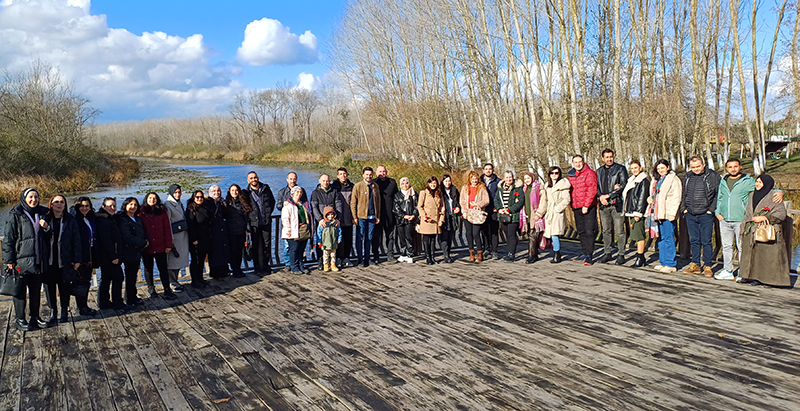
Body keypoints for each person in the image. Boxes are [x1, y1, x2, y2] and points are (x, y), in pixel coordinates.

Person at [714, 159, 783, 281]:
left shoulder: (748, 181)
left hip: (741, 219)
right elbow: (720, 197)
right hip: (724, 219)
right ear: (726, 168)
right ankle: (728, 270)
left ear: (740, 167)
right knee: (726, 246)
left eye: (735, 166)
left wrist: (780, 192)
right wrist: (718, 212)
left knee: (742, 247)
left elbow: (765, 188)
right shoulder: (723, 181)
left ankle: (743, 271)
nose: (733, 169)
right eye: (730, 167)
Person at [3, 188, 49, 331]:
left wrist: (47, 227)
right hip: (20, 261)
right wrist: (8, 260)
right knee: (20, 291)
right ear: (24, 198)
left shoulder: (43, 212)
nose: (33, 200)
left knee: (35, 291)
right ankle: (20, 319)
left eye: (36, 197)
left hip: (38, 259)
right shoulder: (15, 214)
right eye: (30, 197)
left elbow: (49, 235)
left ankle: (35, 317)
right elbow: (8, 239)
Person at [737, 175, 791, 287]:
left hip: (766, 229)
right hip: (751, 229)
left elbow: (781, 214)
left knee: (767, 256)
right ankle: (750, 276)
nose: (757, 184)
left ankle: (769, 280)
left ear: (766, 183)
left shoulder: (774, 196)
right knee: (753, 255)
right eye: (757, 181)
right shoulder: (752, 194)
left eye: (760, 182)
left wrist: (766, 218)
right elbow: (748, 212)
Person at [43, 195, 82, 325]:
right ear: (51, 204)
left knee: (64, 286)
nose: (59, 204)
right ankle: (53, 311)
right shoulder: (45, 219)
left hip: (65, 259)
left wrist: (77, 259)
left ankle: (64, 310)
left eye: (62, 202)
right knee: (49, 287)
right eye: (56, 202)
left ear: (65, 205)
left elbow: (76, 240)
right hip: (48, 260)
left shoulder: (70, 219)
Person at [680, 156, 721, 277]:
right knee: (694, 240)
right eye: (693, 167)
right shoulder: (687, 176)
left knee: (706, 240)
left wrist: (711, 210)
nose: (696, 169)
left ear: (703, 164)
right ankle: (695, 264)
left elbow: (717, 194)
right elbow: (684, 194)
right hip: (690, 213)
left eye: (698, 166)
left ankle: (707, 265)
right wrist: (684, 209)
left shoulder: (712, 176)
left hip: (705, 213)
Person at [139, 192, 177, 300]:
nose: (152, 200)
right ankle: (151, 289)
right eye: (150, 198)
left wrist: (169, 244)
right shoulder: (141, 212)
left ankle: (167, 289)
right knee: (148, 269)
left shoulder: (162, 211)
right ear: (146, 199)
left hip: (160, 245)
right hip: (147, 246)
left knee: (163, 268)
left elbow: (167, 228)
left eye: (154, 198)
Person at [647, 160, 682, 273]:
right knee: (660, 237)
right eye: (658, 169)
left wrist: (672, 213)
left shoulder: (674, 180)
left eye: (662, 168)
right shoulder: (657, 180)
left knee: (668, 237)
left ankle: (670, 263)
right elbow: (655, 194)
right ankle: (663, 261)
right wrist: (650, 199)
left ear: (668, 167)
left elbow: (676, 197)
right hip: (657, 212)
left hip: (667, 213)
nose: (660, 170)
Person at [68, 197, 102, 314]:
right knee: (80, 282)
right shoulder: (74, 219)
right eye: (82, 206)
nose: (84, 208)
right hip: (79, 255)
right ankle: (82, 307)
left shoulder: (90, 218)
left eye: (87, 206)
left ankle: (84, 306)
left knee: (86, 281)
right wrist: (75, 258)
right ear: (77, 206)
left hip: (90, 254)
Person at [597, 149, 629, 265]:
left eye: (611, 156)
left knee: (620, 230)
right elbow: (595, 187)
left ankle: (621, 254)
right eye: (607, 157)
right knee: (606, 230)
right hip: (603, 205)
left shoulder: (620, 169)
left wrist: (609, 195)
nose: (609, 159)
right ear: (602, 158)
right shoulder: (599, 171)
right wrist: (601, 197)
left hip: (617, 204)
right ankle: (607, 252)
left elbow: (623, 185)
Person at [568, 155, 599, 265]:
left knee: (589, 230)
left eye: (580, 162)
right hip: (576, 206)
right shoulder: (570, 175)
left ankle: (590, 255)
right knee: (581, 231)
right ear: (572, 163)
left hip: (588, 206)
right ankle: (585, 252)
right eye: (575, 162)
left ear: (583, 162)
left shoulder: (589, 173)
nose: (578, 164)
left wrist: (586, 205)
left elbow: (592, 189)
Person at [94, 198, 125, 308]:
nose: (113, 208)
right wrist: (113, 256)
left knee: (106, 278)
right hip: (108, 256)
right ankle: (117, 302)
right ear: (103, 207)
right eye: (110, 206)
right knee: (118, 277)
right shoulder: (103, 221)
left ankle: (103, 302)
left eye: (114, 206)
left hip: (105, 256)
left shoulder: (108, 218)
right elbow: (106, 240)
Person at [244, 171, 276, 275]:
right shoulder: (246, 192)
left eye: (255, 177)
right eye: (251, 178)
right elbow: (245, 208)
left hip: (266, 221)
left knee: (267, 244)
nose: (254, 179)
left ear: (258, 178)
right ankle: (257, 267)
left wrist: (267, 213)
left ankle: (266, 265)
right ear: (248, 180)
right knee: (256, 245)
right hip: (254, 223)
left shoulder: (266, 189)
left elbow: (272, 202)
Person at [117, 197, 147, 305]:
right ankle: (130, 299)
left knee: (133, 275)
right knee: (129, 276)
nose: (133, 207)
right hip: (127, 251)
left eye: (135, 205)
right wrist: (142, 242)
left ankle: (132, 296)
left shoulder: (137, 218)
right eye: (130, 204)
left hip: (136, 251)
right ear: (125, 206)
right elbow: (127, 236)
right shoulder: (123, 219)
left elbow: (142, 231)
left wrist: (145, 240)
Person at [311, 174, 343, 270]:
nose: (326, 182)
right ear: (320, 181)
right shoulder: (315, 193)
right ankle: (321, 261)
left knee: (333, 241)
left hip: (333, 220)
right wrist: (320, 219)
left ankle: (333, 262)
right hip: (321, 221)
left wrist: (338, 218)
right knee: (321, 241)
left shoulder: (334, 192)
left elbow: (338, 205)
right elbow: (314, 207)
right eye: (324, 180)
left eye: (327, 181)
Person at [622, 161, 651, 268]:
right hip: (631, 211)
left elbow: (642, 197)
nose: (634, 170)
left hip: (637, 212)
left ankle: (640, 256)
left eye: (636, 167)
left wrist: (638, 213)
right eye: (632, 168)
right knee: (636, 234)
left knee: (639, 235)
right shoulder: (632, 180)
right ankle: (640, 256)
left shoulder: (643, 181)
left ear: (640, 167)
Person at [351, 167, 381, 267]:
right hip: (361, 216)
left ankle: (367, 258)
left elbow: (378, 202)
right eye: (367, 174)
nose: (369, 176)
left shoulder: (375, 186)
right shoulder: (358, 186)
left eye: (370, 174)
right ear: (363, 175)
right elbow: (353, 202)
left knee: (369, 238)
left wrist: (378, 215)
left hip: (372, 217)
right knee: (360, 237)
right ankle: (360, 258)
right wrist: (354, 216)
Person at [276, 172, 307, 270]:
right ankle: (288, 264)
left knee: (299, 247)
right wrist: (285, 204)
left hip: (301, 225)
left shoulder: (302, 190)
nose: (293, 180)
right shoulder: (282, 192)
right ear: (287, 179)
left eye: (294, 179)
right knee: (288, 246)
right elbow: (278, 206)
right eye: (291, 179)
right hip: (289, 223)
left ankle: (298, 263)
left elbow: (305, 203)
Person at [226, 184, 257, 277]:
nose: (234, 192)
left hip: (241, 230)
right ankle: (234, 269)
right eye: (232, 190)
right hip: (231, 231)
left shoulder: (243, 202)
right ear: (229, 192)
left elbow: (246, 217)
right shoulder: (226, 203)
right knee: (233, 251)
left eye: (236, 190)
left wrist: (248, 230)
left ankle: (238, 269)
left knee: (240, 251)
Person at [460, 170, 490, 262]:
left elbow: (486, 200)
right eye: (473, 179)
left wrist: (478, 204)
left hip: (477, 213)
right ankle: (471, 252)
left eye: (476, 179)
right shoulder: (465, 188)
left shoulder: (481, 187)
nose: (474, 180)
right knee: (468, 233)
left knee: (476, 233)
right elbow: (462, 201)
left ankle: (480, 252)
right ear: (469, 179)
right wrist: (464, 212)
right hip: (467, 213)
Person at [495, 171, 525, 262]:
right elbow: (496, 200)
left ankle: (512, 254)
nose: (509, 179)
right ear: (504, 178)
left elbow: (520, 201)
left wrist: (510, 210)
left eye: (510, 177)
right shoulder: (500, 188)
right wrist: (499, 208)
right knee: (507, 233)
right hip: (503, 215)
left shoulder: (517, 188)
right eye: (507, 177)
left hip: (513, 215)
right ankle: (509, 252)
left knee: (512, 234)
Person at [282, 186, 312, 274]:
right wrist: (288, 231)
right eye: (297, 192)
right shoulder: (288, 205)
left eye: (300, 192)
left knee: (301, 249)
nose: (299, 194)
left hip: (304, 229)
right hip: (293, 230)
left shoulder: (304, 205)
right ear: (292, 194)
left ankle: (301, 265)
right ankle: (294, 267)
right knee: (293, 249)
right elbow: (285, 219)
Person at [165, 184, 189, 292]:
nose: (178, 194)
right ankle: (172, 282)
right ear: (171, 193)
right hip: (174, 236)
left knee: (179, 260)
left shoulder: (179, 203)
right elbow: (167, 223)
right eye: (175, 192)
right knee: (173, 261)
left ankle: (175, 281)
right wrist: (170, 240)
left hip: (183, 235)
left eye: (179, 192)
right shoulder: (168, 205)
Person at [544, 167, 571, 263]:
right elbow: (545, 199)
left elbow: (566, 199)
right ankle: (556, 252)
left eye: (556, 173)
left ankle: (557, 253)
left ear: (559, 174)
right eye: (552, 173)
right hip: (549, 211)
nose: (554, 175)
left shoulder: (563, 184)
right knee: (551, 234)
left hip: (557, 212)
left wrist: (557, 208)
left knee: (555, 234)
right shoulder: (547, 185)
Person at [373, 165, 398, 263]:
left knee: (390, 236)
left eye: (384, 171)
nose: (382, 173)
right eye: (380, 171)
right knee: (376, 236)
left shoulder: (392, 182)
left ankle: (390, 254)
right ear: (376, 172)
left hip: (390, 214)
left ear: (386, 172)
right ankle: (375, 255)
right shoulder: (373, 183)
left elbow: (397, 197)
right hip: (377, 215)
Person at [185, 190, 211, 288]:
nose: (199, 199)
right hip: (195, 239)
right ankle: (194, 280)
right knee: (195, 260)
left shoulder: (204, 207)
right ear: (193, 198)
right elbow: (190, 225)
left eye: (201, 197)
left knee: (202, 259)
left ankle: (200, 278)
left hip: (205, 238)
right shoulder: (191, 209)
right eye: (197, 197)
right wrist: (193, 239)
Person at [520, 172, 547, 264]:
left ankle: (531, 255)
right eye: (525, 179)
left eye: (528, 178)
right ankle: (535, 252)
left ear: (532, 178)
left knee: (532, 234)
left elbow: (543, 201)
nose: (527, 180)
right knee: (530, 234)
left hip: (535, 214)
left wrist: (539, 213)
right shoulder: (524, 188)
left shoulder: (539, 187)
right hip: (526, 214)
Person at [418, 176, 445, 265]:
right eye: (431, 183)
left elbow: (442, 207)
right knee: (426, 239)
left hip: (435, 219)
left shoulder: (439, 193)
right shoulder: (423, 193)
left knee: (433, 239)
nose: (433, 185)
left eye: (435, 183)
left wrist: (441, 219)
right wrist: (424, 216)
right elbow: (419, 206)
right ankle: (428, 257)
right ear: (428, 184)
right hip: (427, 219)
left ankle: (433, 257)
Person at [331, 167, 355, 267]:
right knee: (337, 239)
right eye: (340, 174)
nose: (343, 176)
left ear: (347, 175)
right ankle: (337, 258)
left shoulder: (352, 186)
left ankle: (346, 258)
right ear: (337, 176)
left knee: (348, 238)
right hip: (337, 218)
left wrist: (355, 216)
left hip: (349, 217)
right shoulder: (333, 187)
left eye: (344, 174)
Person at [393, 177, 419, 263]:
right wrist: (403, 215)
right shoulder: (397, 195)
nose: (405, 185)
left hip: (410, 219)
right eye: (403, 184)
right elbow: (396, 208)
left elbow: (417, 206)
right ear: (400, 185)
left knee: (409, 237)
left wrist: (413, 215)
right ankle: (403, 254)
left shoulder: (414, 194)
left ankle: (410, 254)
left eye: (406, 183)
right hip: (400, 220)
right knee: (401, 237)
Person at [207, 185, 230, 279]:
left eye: (218, 191)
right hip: (213, 230)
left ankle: (224, 272)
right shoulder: (208, 202)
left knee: (223, 250)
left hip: (222, 229)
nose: (217, 193)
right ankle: (215, 274)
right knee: (214, 252)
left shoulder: (222, 202)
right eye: (214, 191)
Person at [481, 163, 501, 259]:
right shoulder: (479, 181)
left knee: (494, 231)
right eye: (486, 169)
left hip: (493, 209)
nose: (488, 170)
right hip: (482, 210)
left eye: (490, 169)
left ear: (493, 170)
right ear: (483, 170)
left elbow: (499, 196)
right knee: (484, 231)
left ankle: (494, 251)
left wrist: (498, 207)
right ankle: (486, 249)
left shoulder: (498, 181)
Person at [439, 174, 460, 263]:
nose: (447, 183)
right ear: (442, 182)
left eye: (449, 181)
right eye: (445, 181)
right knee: (444, 235)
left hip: (453, 216)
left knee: (451, 235)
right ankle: (446, 255)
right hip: (444, 216)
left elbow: (458, 201)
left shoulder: (454, 190)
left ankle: (448, 252)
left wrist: (458, 207)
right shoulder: (439, 191)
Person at [316, 206, 342, 272]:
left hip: (333, 242)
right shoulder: (323, 224)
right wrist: (319, 241)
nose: (330, 216)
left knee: (333, 254)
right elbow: (319, 233)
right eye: (328, 215)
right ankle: (326, 264)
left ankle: (333, 264)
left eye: (332, 214)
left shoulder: (335, 223)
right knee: (326, 254)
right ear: (325, 215)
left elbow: (339, 231)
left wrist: (339, 238)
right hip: (325, 242)